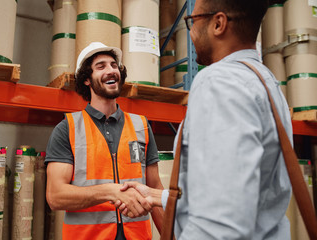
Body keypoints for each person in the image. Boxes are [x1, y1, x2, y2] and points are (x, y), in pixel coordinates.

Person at [116, 0, 293, 239]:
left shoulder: (219, 81)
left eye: (193, 21)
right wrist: (156, 195)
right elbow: (238, 189)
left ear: (218, 24)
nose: (190, 32)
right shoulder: (265, 81)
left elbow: (222, 221)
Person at [45, 42, 164, 240]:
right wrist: (111, 191)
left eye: (114, 65)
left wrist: (170, 235)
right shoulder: (68, 129)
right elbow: (56, 196)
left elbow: (155, 188)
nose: (111, 71)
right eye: (101, 66)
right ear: (87, 80)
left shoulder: (141, 126)